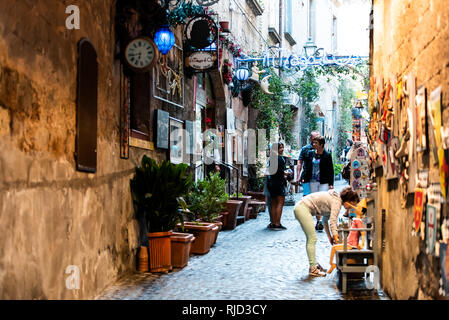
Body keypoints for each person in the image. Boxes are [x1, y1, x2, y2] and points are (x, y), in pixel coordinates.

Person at [293, 186, 360, 277]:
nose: (351, 208)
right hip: (302, 209)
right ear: (348, 200)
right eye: (353, 204)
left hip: (301, 207)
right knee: (312, 239)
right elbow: (333, 220)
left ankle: (314, 265)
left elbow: (325, 220)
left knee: (312, 238)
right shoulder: (337, 202)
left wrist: (330, 237)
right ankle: (313, 268)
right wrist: (336, 236)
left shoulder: (335, 200)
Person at [302, 135, 335, 231]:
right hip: (312, 181)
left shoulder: (327, 155)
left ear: (321, 144)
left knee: (321, 201)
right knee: (315, 202)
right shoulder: (311, 154)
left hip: (323, 182)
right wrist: (304, 178)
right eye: (313, 142)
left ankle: (321, 220)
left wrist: (331, 183)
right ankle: (318, 220)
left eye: (316, 143)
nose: (313, 144)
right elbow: (307, 167)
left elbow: (330, 170)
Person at [328, 198, 366, 274]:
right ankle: (335, 264)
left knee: (334, 248)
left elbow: (362, 232)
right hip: (349, 243)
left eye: (358, 207)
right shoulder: (356, 220)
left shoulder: (358, 221)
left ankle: (332, 264)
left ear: (361, 211)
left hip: (351, 245)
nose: (356, 208)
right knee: (336, 245)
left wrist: (362, 243)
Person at [266, 142, 289, 230]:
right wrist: (285, 173)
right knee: (280, 203)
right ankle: (277, 223)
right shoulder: (280, 158)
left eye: (283, 147)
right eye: (280, 148)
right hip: (279, 182)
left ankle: (273, 222)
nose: (282, 149)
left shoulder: (271, 158)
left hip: (271, 182)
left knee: (274, 203)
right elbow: (280, 171)